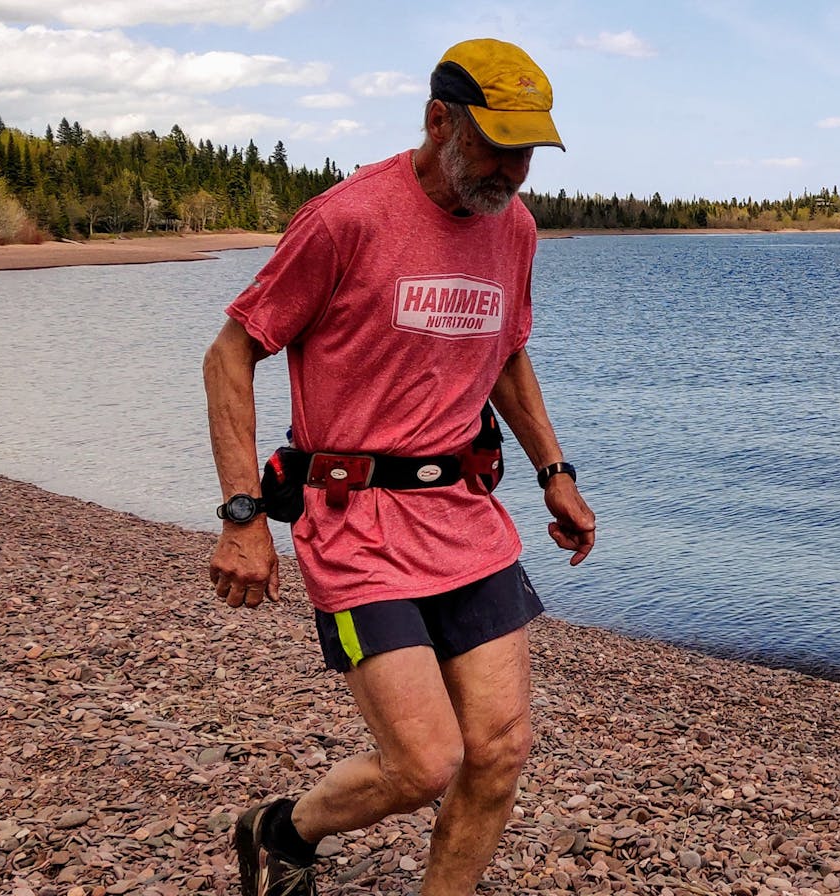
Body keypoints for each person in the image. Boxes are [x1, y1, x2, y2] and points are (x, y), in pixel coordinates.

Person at [202, 38, 596, 896]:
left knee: (499, 752)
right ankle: (283, 829)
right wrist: (243, 516)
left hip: (463, 516)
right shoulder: (345, 218)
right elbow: (231, 354)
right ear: (437, 119)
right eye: (498, 145)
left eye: (529, 150)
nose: (516, 170)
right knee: (422, 762)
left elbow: (506, 354)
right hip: (356, 524)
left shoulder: (515, 225)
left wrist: (553, 469)